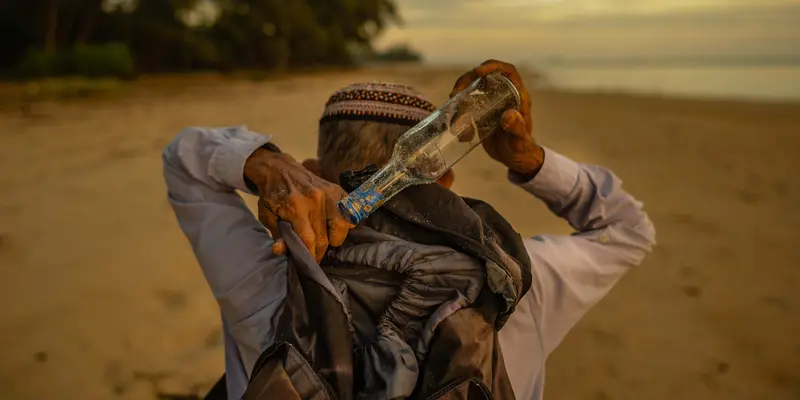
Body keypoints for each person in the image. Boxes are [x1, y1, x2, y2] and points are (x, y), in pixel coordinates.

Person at [163, 60, 656, 400]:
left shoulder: (267, 271)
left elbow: (185, 160)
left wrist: (267, 167)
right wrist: (530, 161)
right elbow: (628, 229)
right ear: (446, 181)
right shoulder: (518, 281)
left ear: (313, 170)